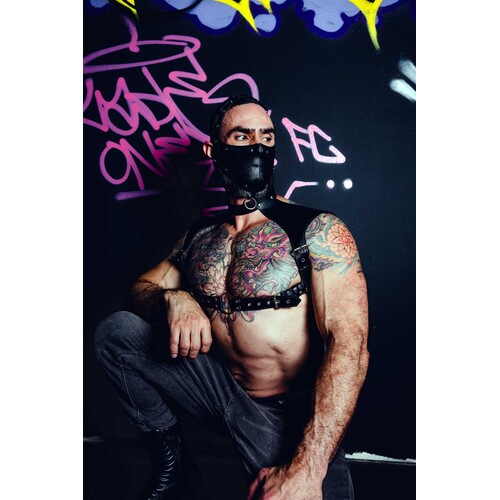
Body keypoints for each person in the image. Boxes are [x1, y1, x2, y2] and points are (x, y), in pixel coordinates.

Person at [94, 94, 369, 499]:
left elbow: (351, 344)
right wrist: (174, 299)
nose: (257, 146)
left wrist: (308, 466)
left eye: (266, 137)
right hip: (218, 391)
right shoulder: (199, 237)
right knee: (118, 331)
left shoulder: (316, 230)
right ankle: (174, 467)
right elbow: (139, 290)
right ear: (214, 150)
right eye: (242, 136)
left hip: (284, 416)